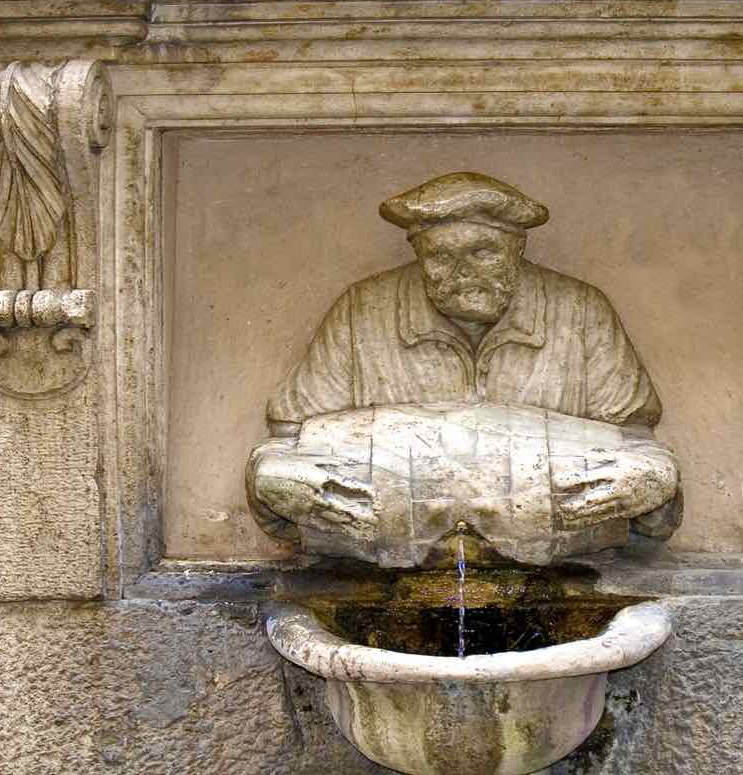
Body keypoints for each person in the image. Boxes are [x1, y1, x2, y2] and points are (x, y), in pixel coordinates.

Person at [249, 171, 679, 548]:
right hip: (389, 565)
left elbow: (637, 446)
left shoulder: (580, 312)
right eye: (440, 256)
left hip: (556, 568)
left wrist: (651, 483)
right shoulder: (363, 311)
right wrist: (273, 480)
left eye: (482, 251)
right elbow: (290, 442)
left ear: (517, 249)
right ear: (419, 255)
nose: (462, 270)